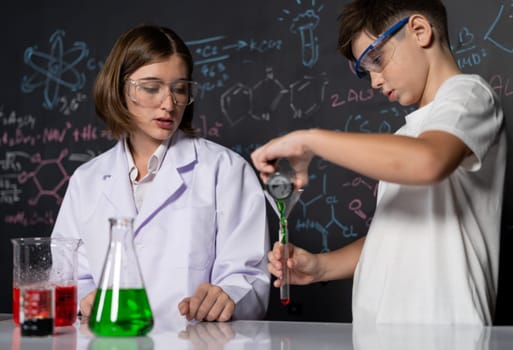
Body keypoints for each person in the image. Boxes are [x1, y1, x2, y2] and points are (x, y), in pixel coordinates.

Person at [251, 0, 506, 325]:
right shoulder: (407, 133)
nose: (374, 81)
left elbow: (429, 161)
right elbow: (395, 234)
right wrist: (321, 266)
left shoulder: (469, 96)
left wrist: (310, 140)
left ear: (419, 31)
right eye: (366, 71)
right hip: (382, 330)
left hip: (444, 332)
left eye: (378, 59)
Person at [51, 24, 270, 324]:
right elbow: (67, 276)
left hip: (196, 342)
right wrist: (85, 301)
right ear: (119, 88)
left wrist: (227, 296)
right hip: (111, 341)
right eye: (152, 88)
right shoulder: (86, 180)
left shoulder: (225, 170)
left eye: (180, 89)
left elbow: (248, 277)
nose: (169, 104)